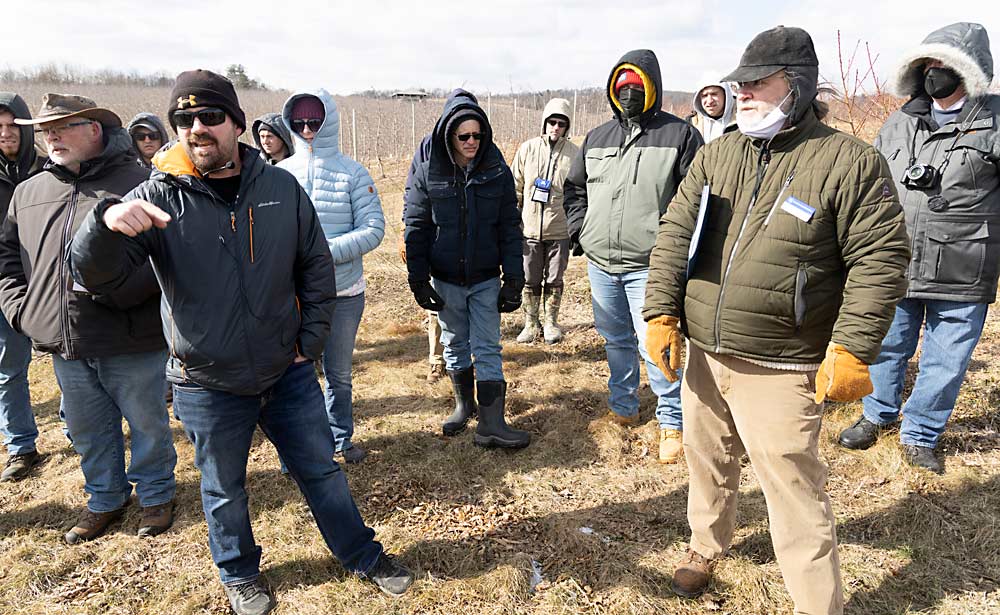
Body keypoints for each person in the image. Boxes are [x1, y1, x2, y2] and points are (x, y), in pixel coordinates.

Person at [68, 70, 412, 615]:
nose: (195, 129)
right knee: (224, 488)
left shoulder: (279, 187)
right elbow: (97, 278)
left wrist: (312, 339)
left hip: (287, 370)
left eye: (208, 117)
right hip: (206, 381)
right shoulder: (156, 197)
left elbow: (315, 265)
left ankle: (363, 555)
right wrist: (102, 226)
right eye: (183, 120)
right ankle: (240, 574)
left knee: (321, 470)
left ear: (237, 124)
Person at [642, 26, 910, 614]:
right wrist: (661, 309)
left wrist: (853, 346)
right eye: (740, 83)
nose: (743, 93)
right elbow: (674, 235)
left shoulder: (848, 161)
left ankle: (818, 605)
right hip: (705, 351)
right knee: (705, 457)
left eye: (758, 82)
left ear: (798, 85)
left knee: (793, 488)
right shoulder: (719, 153)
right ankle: (704, 546)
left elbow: (882, 258)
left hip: (782, 361)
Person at [0, 94, 175, 542]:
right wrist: (22, 310)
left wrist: (120, 293)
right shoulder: (30, 191)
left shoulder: (141, 182)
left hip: (130, 335)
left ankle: (156, 496)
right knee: (87, 429)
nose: (51, 136)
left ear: (95, 129)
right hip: (64, 342)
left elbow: (168, 259)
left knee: (147, 422)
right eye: (45, 129)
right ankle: (105, 499)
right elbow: (8, 260)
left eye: (63, 126)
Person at [838, 22, 1000, 474]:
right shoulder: (900, 120)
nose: (934, 74)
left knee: (945, 359)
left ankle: (920, 433)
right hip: (900, 259)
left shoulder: (995, 121)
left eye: (944, 66)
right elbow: (868, 181)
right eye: (928, 66)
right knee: (888, 346)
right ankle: (877, 414)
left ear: (968, 72)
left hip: (966, 266)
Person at [563, 49, 702, 464]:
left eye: (635, 86)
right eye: (621, 86)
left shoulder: (680, 136)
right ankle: (623, 404)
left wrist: (675, 251)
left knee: (656, 343)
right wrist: (581, 232)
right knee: (615, 338)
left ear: (652, 88)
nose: (627, 93)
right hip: (601, 261)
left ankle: (672, 420)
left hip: (651, 265)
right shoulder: (597, 138)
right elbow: (575, 190)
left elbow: (695, 202)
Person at [404, 89, 529, 448]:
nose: (472, 142)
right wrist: (418, 277)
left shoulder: (496, 168)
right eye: (464, 136)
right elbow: (416, 224)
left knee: (488, 346)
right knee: (455, 341)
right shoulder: (430, 170)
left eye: (477, 135)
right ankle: (464, 406)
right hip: (445, 278)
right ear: (449, 136)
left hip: (486, 276)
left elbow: (509, 223)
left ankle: (492, 424)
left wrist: (514, 278)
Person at [278, 89, 385, 465]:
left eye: (314, 121)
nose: (307, 130)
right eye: (299, 122)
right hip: (292, 297)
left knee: (337, 374)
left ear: (329, 122)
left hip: (343, 292)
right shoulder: (280, 175)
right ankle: (300, 448)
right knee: (294, 374)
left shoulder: (353, 173)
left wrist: (321, 254)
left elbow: (373, 229)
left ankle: (341, 437)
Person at [0, 92, 44, 482]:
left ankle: (77, 432)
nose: (5, 133)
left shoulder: (49, 169)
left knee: (69, 366)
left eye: (13, 125)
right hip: (4, 284)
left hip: (47, 284)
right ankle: (21, 446)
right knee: (9, 369)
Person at [511, 98, 579, 344]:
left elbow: (579, 192)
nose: (555, 127)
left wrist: (575, 226)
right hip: (528, 229)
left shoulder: (574, 154)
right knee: (529, 278)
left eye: (561, 123)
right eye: (552, 122)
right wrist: (513, 221)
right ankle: (530, 323)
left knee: (554, 279)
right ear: (544, 123)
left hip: (559, 230)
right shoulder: (527, 149)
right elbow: (515, 186)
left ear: (566, 127)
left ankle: (551, 322)